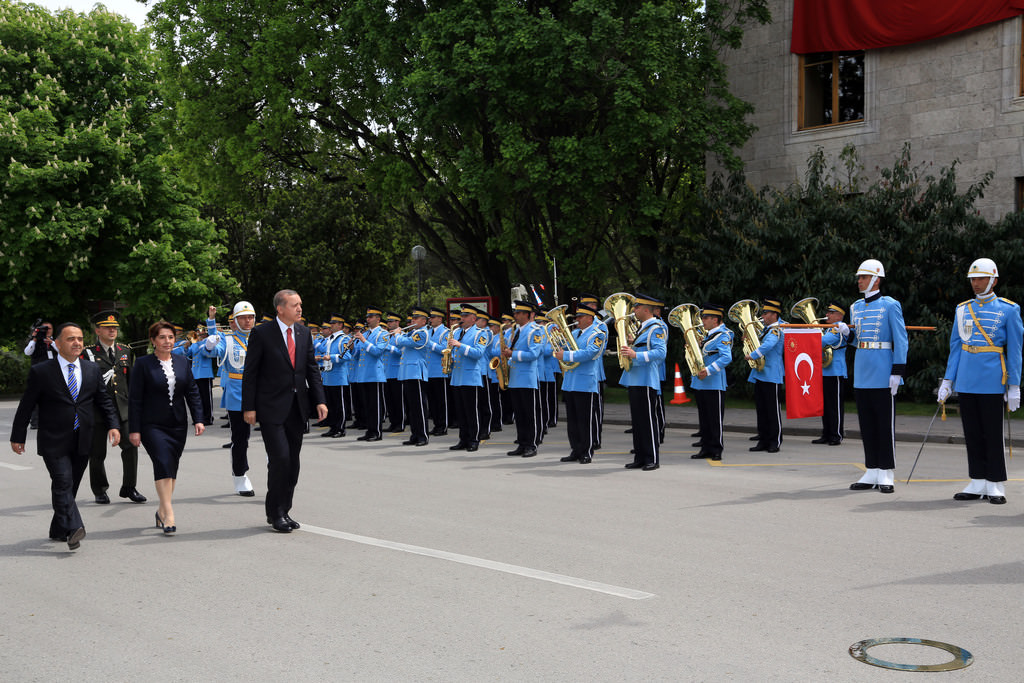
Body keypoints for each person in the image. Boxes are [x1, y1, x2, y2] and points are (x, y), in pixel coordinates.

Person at [10, 322, 120, 550]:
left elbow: (103, 400)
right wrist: (17, 435)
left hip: (83, 437)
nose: (77, 343)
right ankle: (73, 528)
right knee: (62, 481)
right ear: (57, 343)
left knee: (70, 487)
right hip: (53, 438)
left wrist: (113, 425)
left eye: (80, 338)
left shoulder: (91, 369)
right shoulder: (41, 371)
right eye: (70, 339)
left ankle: (57, 529)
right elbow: (27, 405)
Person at [242, 289, 328, 533]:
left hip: (297, 406)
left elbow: (311, 369)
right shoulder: (262, 333)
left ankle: (285, 510)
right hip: (270, 407)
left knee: (293, 462)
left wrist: (320, 400)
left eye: (300, 304)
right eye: (294, 305)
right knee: (280, 458)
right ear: (280, 308)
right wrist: (248, 407)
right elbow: (251, 372)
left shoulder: (303, 333)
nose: (300, 308)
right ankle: (275, 512)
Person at [938, 258, 1023, 504]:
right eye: (973, 279)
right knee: (972, 433)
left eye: (981, 279)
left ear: (993, 280)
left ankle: (995, 483)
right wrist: (948, 380)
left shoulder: (1008, 309)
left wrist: (1014, 384)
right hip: (965, 377)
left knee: (992, 434)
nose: (975, 283)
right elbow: (955, 347)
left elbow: (1015, 350)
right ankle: (977, 481)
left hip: (992, 379)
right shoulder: (962, 309)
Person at [128, 322, 205, 535]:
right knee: (162, 461)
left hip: (177, 425)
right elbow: (135, 399)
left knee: (171, 467)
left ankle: (161, 509)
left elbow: (192, 392)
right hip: (151, 425)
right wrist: (134, 429)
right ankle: (169, 513)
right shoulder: (143, 364)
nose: (167, 341)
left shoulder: (182, 362)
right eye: (162, 337)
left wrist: (198, 419)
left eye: (170, 337)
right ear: (153, 340)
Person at [848, 259, 908, 494]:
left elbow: (901, 339)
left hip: (884, 370)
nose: (859, 281)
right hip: (863, 371)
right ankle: (871, 469)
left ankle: (886, 472)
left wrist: (897, 371)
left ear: (876, 279)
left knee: (884, 424)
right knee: (867, 424)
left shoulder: (890, 305)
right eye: (859, 277)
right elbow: (858, 340)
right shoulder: (855, 307)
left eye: (863, 277)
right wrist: (846, 334)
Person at [82, 311, 145, 505]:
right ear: (97, 330)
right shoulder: (88, 353)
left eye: (115, 328)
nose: (112, 330)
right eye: (108, 327)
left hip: (123, 408)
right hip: (98, 410)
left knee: (130, 447)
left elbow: (129, 382)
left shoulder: (125, 351)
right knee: (97, 452)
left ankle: (129, 487)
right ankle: (100, 489)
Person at [203, 302, 258, 496]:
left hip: (262, 393)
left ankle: (276, 475)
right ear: (235, 320)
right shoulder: (227, 340)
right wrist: (210, 338)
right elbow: (212, 349)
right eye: (243, 317)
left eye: (250, 317)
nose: (247, 321)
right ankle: (240, 476)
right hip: (237, 392)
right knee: (241, 438)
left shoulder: (261, 339)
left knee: (274, 436)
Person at [619, 294, 668, 470]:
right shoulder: (643, 328)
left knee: (648, 422)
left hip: (647, 380)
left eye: (637, 307)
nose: (634, 310)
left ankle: (652, 458)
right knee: (638, 422)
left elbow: (661, 353)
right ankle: (640, 457)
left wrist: (635, 354)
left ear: (646, 309)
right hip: (636, 379)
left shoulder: (656, 328)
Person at [554, 302, 606, 463]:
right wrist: (558, 337)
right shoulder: (575, 333)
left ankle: (586, 451)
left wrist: (567, 356)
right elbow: (564, 348)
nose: (577, 319)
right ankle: (575, 450)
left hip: (585, 382)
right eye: (577, 316)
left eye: (580, 317)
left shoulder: (597, 334)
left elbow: (590, 353)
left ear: (590, 318)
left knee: (585, 420)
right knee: (573, 421)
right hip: (570, 381)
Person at [690, 303, 734, 461]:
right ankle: (706, 448)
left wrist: (707, 370)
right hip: (701, 383)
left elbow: (726, 358)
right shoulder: (707, 335)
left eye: (706, 318)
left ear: (715, 320)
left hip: (714, 382)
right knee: (705, 418)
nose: (703, 320)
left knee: (714, 419)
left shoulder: (722, 335)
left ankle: (716, 449)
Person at [502, 301, 544, 457]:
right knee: (519, 414)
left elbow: (534, 354)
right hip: (515, 377)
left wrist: (513, 354)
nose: (515, 315)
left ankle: (531, 445)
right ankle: (522, 443)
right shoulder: (514, 331)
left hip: (527, 378)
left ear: (527, 315)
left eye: (519, 313)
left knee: (529, 413)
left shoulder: (536, 331)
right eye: (515, 313)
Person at [744, 298, 785, 453]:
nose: (763, 316)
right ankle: (763, 440)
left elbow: (769, 345)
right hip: (761, 374)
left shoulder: (776, 330)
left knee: (772, 410)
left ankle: (775, 441)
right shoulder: (766, 329)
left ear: (774, 315)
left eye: (766, 313)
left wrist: (753, 355)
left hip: (772, 374)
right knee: (761, 410)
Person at [447, 304, 487, 451]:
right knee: (461, 411)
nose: (461, 319)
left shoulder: (480, 333)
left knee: (472, 411)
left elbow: (478, 353)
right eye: (461, 316)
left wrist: (460, 345)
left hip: (470, 377)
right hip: (457, 376)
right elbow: (454, 351)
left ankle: (474, 439)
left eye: (465, 316)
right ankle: (463, 439)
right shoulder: (457, 332)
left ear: (473, 318)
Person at [813, 302, 849, 446]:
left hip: (835, 371)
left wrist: (810, 335)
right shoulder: (828, 329)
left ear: (839, 315)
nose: (827, 315)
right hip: (825, 370)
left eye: (831, 312)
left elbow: (823, 341)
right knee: (825, 405)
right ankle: (826, 433)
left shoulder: (837, 329)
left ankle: (836, 435)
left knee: (835, 406)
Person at [351, 306, 389, 441]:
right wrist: (351, 347)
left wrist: (363, 340)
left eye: (371, 317)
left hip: (374, 374)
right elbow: (357, 355)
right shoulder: (365, 334)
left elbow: (377, 352)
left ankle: (376, 432)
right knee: (367, 405)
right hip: (363, 374)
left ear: (378, 319)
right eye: (367, 317)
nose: (368, 319)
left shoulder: (383, 334)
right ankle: (369, 430)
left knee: (375, 405)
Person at [395, 308, 431, 446]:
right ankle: (415, 434)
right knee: (411, 406)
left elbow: (409, 343)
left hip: (416, 372)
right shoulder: (412, 332)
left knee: (419, 406)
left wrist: (398, 335)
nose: (412, 321)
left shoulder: (422, 333)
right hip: (407, 372)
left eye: (416, 319)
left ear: (423, 321)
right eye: (412, 318)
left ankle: (423, 436)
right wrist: (400, 336)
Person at [320, 314, 351, 438]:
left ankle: (340, 428)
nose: (331, 325)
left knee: (339, 405)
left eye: (334, 323)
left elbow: (347, 356)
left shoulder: (343, 339)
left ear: (340, 325)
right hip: (328, 376)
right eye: (331, 323)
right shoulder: (329, 339)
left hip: (339, 377)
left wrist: (331, 357)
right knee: (331, 405)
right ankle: (333, 427)